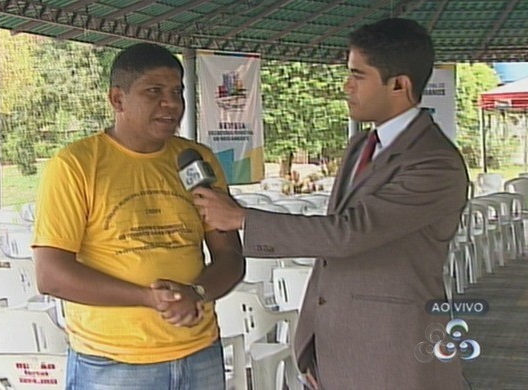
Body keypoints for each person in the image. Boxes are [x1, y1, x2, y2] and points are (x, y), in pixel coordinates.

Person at [193, 18, 469, 390]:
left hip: (392, 349)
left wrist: (242, 218)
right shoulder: (361, 146)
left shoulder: (434, 163)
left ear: (399, 85)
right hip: (331, 342)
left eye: (358, 75)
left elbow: (348, 233)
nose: (346, 87)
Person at [32, 43, 244, 390]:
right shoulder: (75, 165)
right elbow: (51, 275)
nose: (172, 104)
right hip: (113, 364)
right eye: (154, 92)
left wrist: (198, 291)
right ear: (118, 100)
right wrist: (148, 298)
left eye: (177, 92)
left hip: (199, 353)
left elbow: (231, 256)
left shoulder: (196, 160)